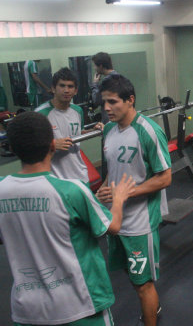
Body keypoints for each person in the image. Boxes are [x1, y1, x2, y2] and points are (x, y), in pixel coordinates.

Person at [0, 111, 134, 325]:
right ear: (52, 146)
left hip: (27, 311)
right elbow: (113, 226)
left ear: (13, 150)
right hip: (80, 306)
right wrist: (118, 199)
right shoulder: (71, 190)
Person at [96, 75, 171, 326]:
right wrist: (106, 188)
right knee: (132, 276)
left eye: (113, 102)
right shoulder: (108, 129)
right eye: (104, 102)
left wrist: (126, 193)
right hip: (116, 219)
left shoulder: (148, 130)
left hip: (140, 223)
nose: (106, 108)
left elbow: (164, 178)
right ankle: (153, 308)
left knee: (143, 285)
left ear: (130, 100)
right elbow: (114, 169)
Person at [35, 67, 103, 184]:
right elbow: (29, 147)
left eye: (70, 86)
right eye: (62, 86)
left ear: (76, 91)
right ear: (53, 88)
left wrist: (93, 130)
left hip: (80, 174)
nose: (66, 90)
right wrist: (52, 145)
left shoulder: (78, 111)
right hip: (56, 178)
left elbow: (77, 133)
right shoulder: (40, 114)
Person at [91, 52, 118, 123]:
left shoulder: (106, 81)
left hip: (110, 121)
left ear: (100, 66)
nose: (94, 68)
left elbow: (96, 101)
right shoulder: (119, 77)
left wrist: (95, 84)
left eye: (95, 66)